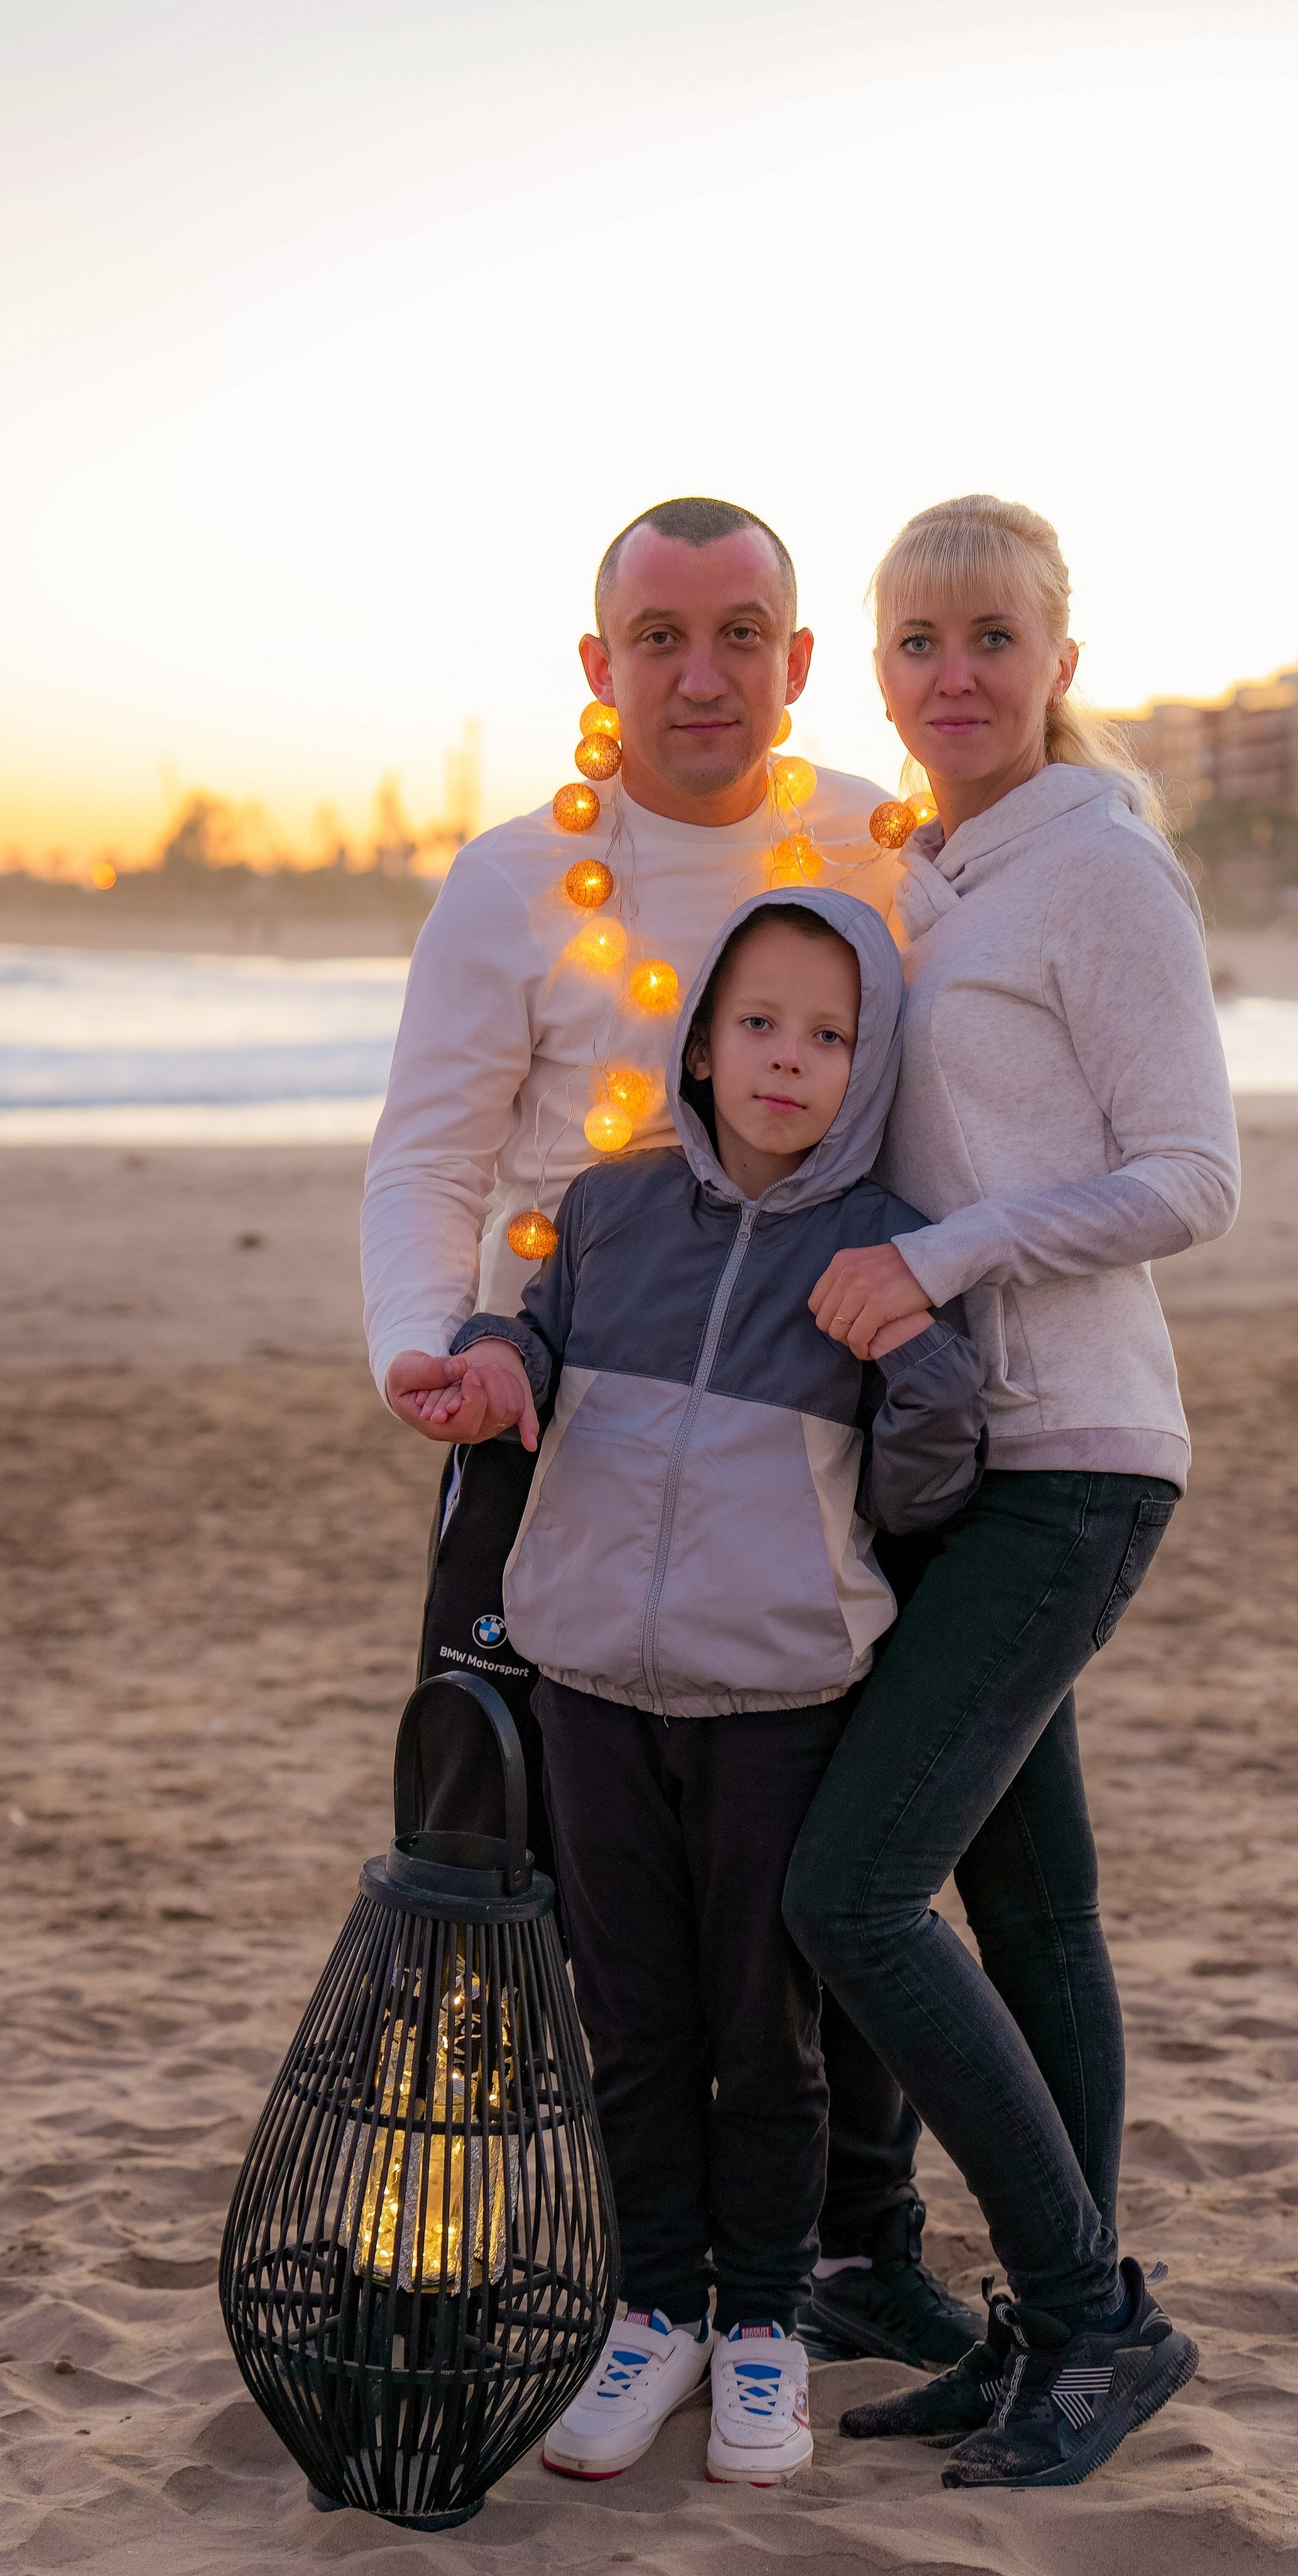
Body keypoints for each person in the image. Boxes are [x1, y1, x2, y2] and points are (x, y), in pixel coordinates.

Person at [362, 495, 982, 2372]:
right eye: (658, 636)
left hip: (813, 1423)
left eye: (736, 636)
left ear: (797, 662)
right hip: (546, 1407)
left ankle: (857, 2245)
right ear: (598, 662)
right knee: (496, 1832)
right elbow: (430, 1153)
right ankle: (510, 2226)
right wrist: (429, 1360)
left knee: (837, 1859)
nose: (697, 674)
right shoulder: (510, 879)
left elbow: (972, 1103)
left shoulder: (881, 850)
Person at [407, 890, 987, 2481]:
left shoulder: (882, 1252)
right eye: (759, 1023)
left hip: (780, 1708)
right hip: (589, 1688)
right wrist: (492, 1366)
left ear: (869, 1066)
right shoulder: (608, 1211)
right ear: (702, 1044)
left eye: (828, 1034)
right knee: (636, 2028)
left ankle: (764, 2326)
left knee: (766, 2038)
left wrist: (919, 1356)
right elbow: (525, 1337)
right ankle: (654, 2311)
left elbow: (926, 1491)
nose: (788, 1058)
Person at [783, 493, 1242, 2490]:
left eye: (990, 637)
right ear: (881, 671)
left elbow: (1190, 1176)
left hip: (1075, 1460)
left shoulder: (1099, 872)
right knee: (1032, 1912)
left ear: (1060, 659)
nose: (952, 673)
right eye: (918, 640)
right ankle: (1052, 2329)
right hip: (957, 1459)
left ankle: (1092, 2318)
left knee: (850, 1893)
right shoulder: (927, 881)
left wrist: (948, 1260)